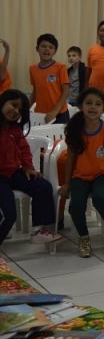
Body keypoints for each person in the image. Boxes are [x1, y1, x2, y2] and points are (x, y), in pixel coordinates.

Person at [60, 87, 104, 258]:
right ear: (81, 106)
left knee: (99, 198)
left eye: (98, 104)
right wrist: (67, 183)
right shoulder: (75, 129)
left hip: (102, 175)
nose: (93, 107)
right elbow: (70, 159)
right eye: (88, 103)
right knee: (75, 206)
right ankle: (84, 237)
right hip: (80, 176)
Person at [0, 89, 61, 246]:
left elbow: (24, 150)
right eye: (13, 105)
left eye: (19, 110)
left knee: (43, 186)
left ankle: (40, 230)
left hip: (13, 173)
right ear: (4, 101)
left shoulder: (15, 129)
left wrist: (28, 167)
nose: (15, 111)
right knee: (9, 214)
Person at [29, 34, 70, 124]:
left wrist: (55, 111)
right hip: (40, 114)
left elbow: (66, 91)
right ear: (37, 48)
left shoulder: (60, 67)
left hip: (60, 114)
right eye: (43, 46)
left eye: (51, 47)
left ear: (54, 51)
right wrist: (25, 108)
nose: (47, 49)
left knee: (61, 138)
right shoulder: (32, 68)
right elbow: (35, 91)